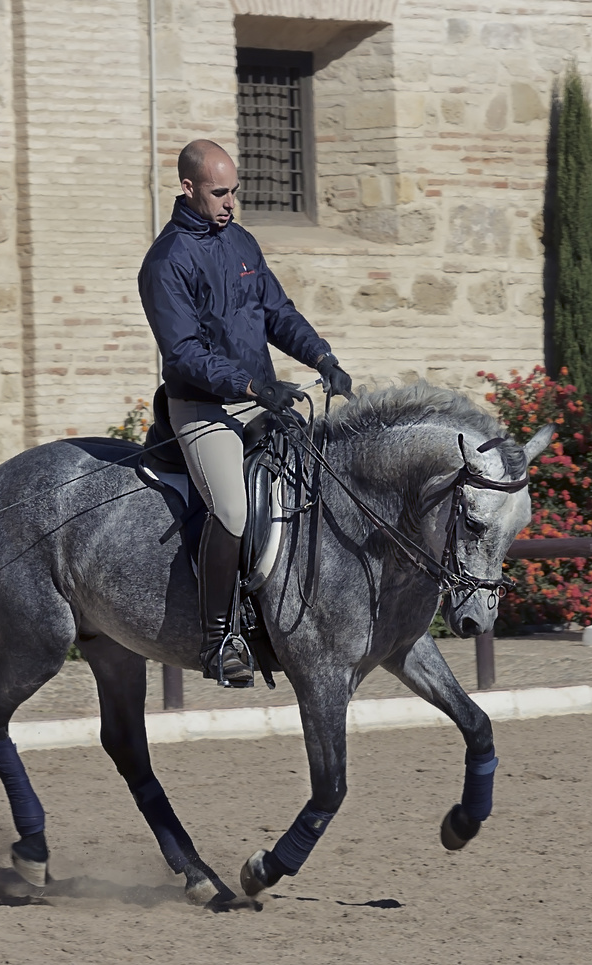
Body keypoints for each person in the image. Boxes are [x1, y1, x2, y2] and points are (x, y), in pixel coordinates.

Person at [138, 139, 354, 686]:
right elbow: (184, 352)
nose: (230, 201)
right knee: (232, 510)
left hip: (258, 397)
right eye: (219, 192)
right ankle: (219, 638)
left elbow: (277, 312)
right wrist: (255, 384)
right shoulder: (166, 261)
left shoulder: (241, 242)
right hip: (203, 406)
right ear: (189, 188)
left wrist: (322, 357)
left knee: (319, 477)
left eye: (234, 190)